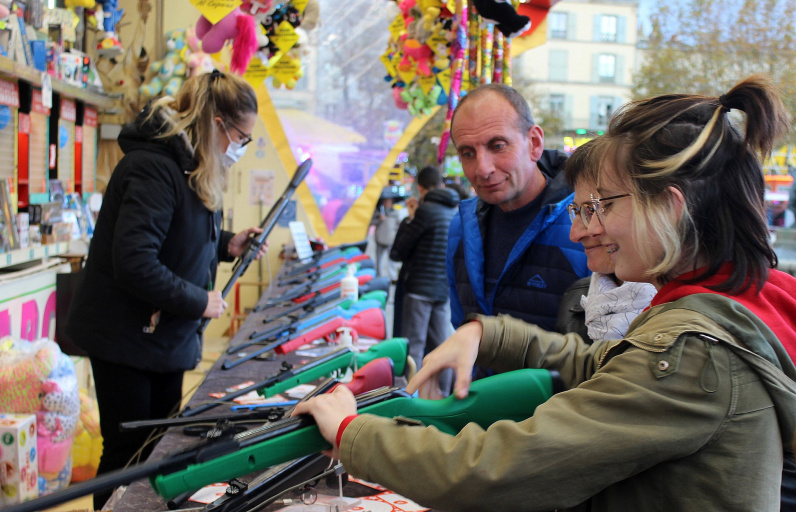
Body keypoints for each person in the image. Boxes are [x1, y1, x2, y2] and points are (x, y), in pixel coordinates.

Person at [293, 75, 796, 511]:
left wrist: (349, 433)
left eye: (600, 208)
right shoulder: (723, 312)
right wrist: (488, 332)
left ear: (669, 208)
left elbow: (494, 468)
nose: (582, 233)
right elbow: (602, 363)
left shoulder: (693, 353)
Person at [66, 69, 265, 509]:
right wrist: (200, 301)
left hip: (161, 338)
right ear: (216, 123)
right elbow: (135, 261)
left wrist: (227, 243)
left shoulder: (192, 164)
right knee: (128, 454)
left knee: (156, 448)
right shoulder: (155, 167)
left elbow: (184, 232)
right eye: (240, 136)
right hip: (127, 338)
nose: (240, 148)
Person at [446, 83, 589, 331]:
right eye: (468, 153)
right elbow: (461, 326)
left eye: (497, 146)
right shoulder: (460, 226)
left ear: (534, 143)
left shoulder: (588, 223)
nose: (483, 168)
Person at [555, 140, 656, 343]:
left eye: (595, 209)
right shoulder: (579, 298)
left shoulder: (687, 313)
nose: (575, 234)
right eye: (577, 211)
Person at [389, 165, 459, 388]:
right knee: (442, 345)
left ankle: (410, 395)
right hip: (443, 288)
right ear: (442, 185)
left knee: (414, 348)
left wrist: (409, 219)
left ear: (420, 188)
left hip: (419, 289)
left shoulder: (425, 210)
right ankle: (445, 391)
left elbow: (398, 251)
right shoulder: (454, 210)